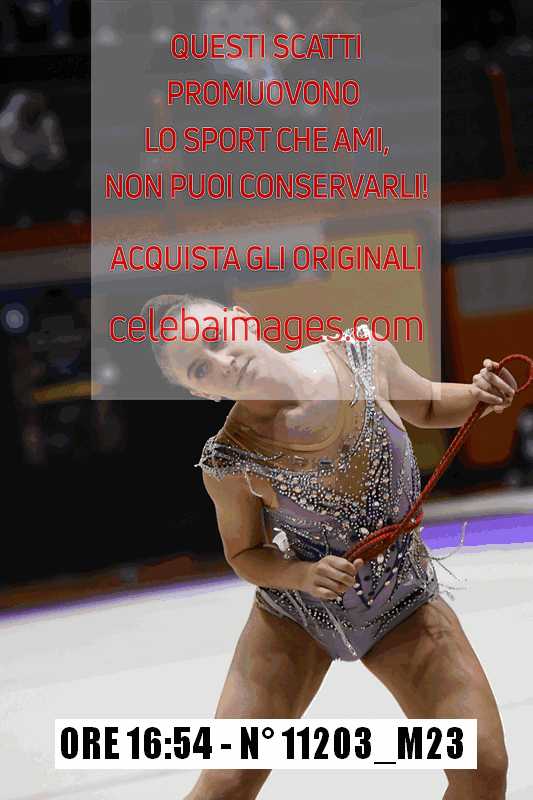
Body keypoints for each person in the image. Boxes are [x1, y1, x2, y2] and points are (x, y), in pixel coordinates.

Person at [141, 293, 517, 800]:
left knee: (482, 768)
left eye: (215, 337)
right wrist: (300, 576)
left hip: (402, 600)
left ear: (242, 319)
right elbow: (245, 553)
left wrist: (477, 395)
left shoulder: (362, 355)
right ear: (200, 392)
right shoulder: (230, 461)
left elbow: (429, 402)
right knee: (226, 785)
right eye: (201, 369)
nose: (222, 361)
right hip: (295, 618)